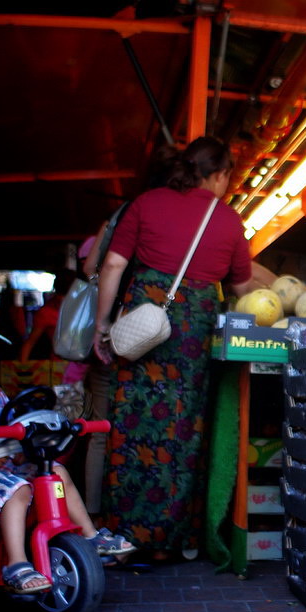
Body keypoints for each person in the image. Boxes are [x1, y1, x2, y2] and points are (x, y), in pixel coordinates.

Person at [91, 136, 254, 561]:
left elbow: (112, 264)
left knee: (132, 423)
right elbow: (240, 286)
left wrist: (102, 324)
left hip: (144, 322)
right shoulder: (229, 220)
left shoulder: (146, 204)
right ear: (219, 175)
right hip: (191, 332)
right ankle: (173, 537)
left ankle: (124, 533)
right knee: (182, 428)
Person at [0, 308, 135, 594]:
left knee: (54, 470)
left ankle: (90, 535)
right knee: (18, 489)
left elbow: (13, 430)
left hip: (0, 469)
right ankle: (16, 564)